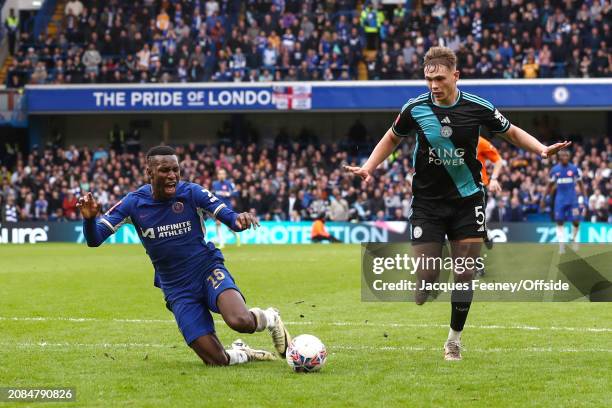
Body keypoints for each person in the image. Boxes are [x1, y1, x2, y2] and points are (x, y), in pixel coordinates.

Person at [345, 46, 570, 361]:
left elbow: (512, 133)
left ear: (455, 76)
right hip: (427, 204)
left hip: (468, 200)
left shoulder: (477, 107)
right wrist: (369, 167)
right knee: (426, 278)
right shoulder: (415, 108)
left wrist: (542, 149)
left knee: (464, 273)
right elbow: (392, 138)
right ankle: (428, 278)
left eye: (439, 78)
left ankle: (454, 341)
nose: (434, 85)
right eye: (428, 79)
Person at [77, 146, 291, 366]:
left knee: (240, 321)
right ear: (149, 173)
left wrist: (241, 219)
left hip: (206, 269)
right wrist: (89, 220)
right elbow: (95, 239)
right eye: (164, 170)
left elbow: (231, 219)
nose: (172, 176)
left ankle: (272, 318)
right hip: (176, 287)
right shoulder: (133, 203)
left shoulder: (191, 193)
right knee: (217, 361)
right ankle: (243, 352)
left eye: (175, 170)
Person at [543, 150, 586, 253]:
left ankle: (574, 239)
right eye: (563, 155)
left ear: (569, 156)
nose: (565, 157)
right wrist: (543, 198)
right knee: (559, 222)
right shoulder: (555, 170)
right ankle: (561, 245)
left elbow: (581, 184)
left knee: (576, 221)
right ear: (559, 157)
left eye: (567, 155)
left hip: (573, 200)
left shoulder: (574, 169)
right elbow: (549, 185)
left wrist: (585, 197)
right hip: (560, 201)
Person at [212, 168, 239, 248]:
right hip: (217, 206)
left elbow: (236, 193)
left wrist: (229, 194)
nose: (221, 175)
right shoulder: (214, 184)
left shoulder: (229, 183)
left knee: (229, 226)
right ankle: (221, 243)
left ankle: (236, 236)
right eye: (220, 174)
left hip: (227, 207)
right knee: (218, 223)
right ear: (217, 175)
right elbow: (212, 193)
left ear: (225, 175)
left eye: (223, 174)